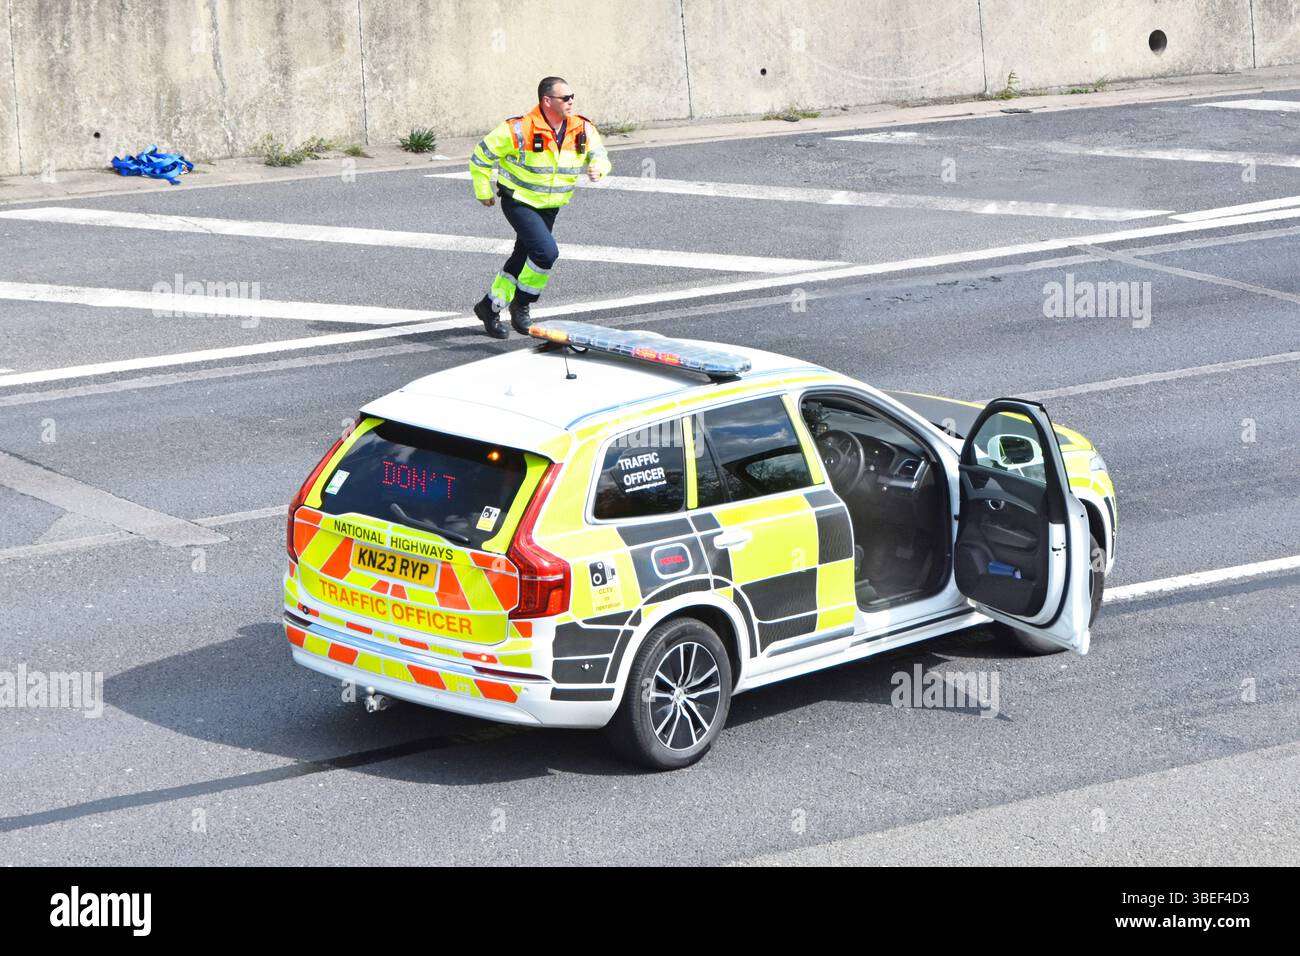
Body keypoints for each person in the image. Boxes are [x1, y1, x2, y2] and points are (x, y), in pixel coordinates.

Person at [469, 77, 612, 338]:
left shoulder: (582, 128)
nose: (571, 102)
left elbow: (600, 155)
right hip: (519, 201)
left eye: (572, 97)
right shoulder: (519, 129)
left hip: (550, 205)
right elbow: (481, 156)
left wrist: (598, 169)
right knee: (546, 253)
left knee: (522, 257)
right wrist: (483, 190)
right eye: (565, 98)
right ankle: (521, 304)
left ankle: (489, 307)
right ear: (547, 101)